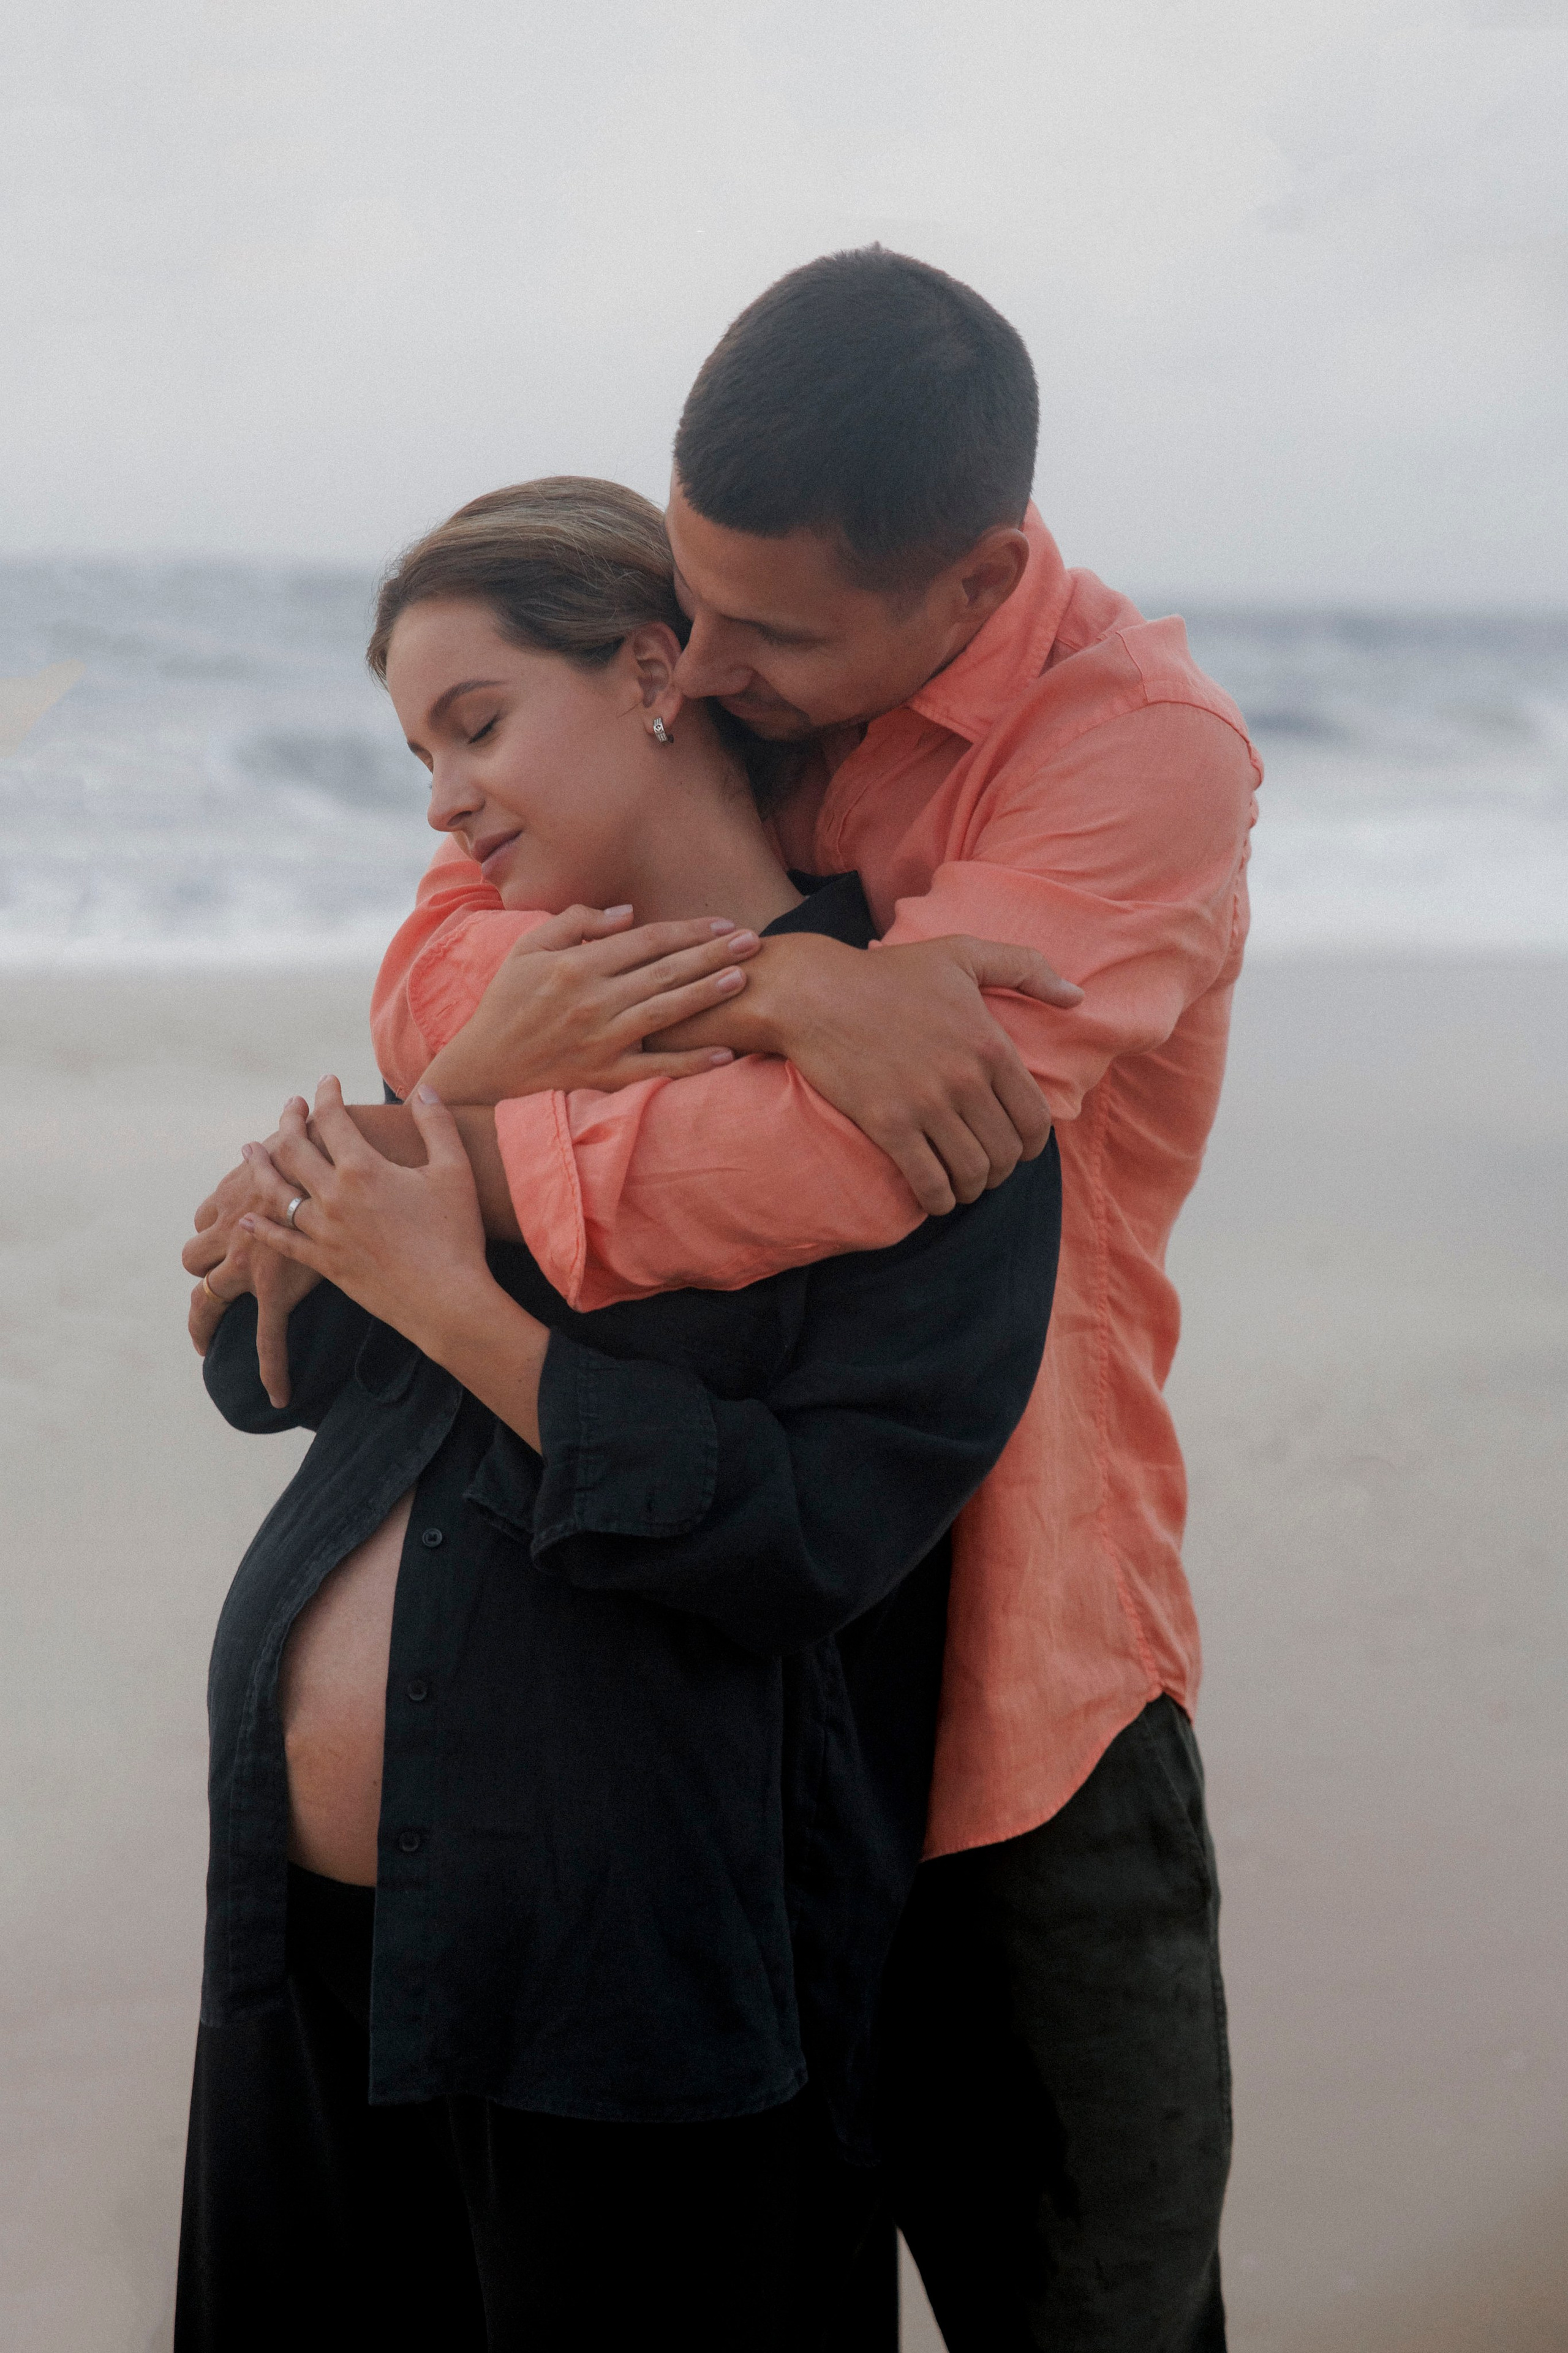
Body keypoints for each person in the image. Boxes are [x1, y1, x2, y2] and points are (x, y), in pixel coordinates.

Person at [230, 244, 1261, 2350]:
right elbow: (452, 946)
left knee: (1088, 2303)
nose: (713, 661)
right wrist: (780, 983)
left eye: (770, 633)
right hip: (748, 1721)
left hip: (1014, 1684)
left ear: (971, 587)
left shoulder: (1127, 756)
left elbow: (874, 1157)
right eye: (691, 610)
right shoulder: (739, 663)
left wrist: (437, 1199)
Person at [176, 478, 1063, 2352]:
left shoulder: (920, 1082)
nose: (441, 798)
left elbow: (811, 1537)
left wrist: (442, 1281)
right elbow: (263, 1370)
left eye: (476, 724)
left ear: (658, 668)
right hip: (312, 1955)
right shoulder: (490, 1017)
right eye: (420, 749)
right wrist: (433, 1124)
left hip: (635, 1986)